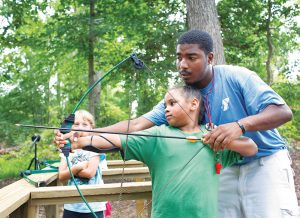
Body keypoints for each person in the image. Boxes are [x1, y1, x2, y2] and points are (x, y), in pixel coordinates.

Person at [55, 29, 298, 217]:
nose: (182, 64)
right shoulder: (180, 99)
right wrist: (81, 134)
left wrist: (239, 125)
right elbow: (137, 125)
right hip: (225, 166)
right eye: (179, 57)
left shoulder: (236, 77)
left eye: (191, 57)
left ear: (210, 57)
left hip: (264, 162)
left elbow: (282, 112)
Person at [58, 85, 258, 218]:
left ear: (194, 104)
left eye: (172, 103)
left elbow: (251, 147)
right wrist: (77, 140)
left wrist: (220, 139)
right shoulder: (157, 135)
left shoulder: (214, 137)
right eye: (165, 106)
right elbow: (114, 141)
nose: (166, 110)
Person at [58, 110, 107, 218]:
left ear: (91, 129)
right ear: (70, 128)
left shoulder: (95, 147)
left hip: (94, 206)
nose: (80, 127)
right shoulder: (66, 148)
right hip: (71, 206)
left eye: (84, 124)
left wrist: (70, 171)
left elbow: (89, 173)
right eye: (76, 124)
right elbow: (61, 176)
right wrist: (78, 167)